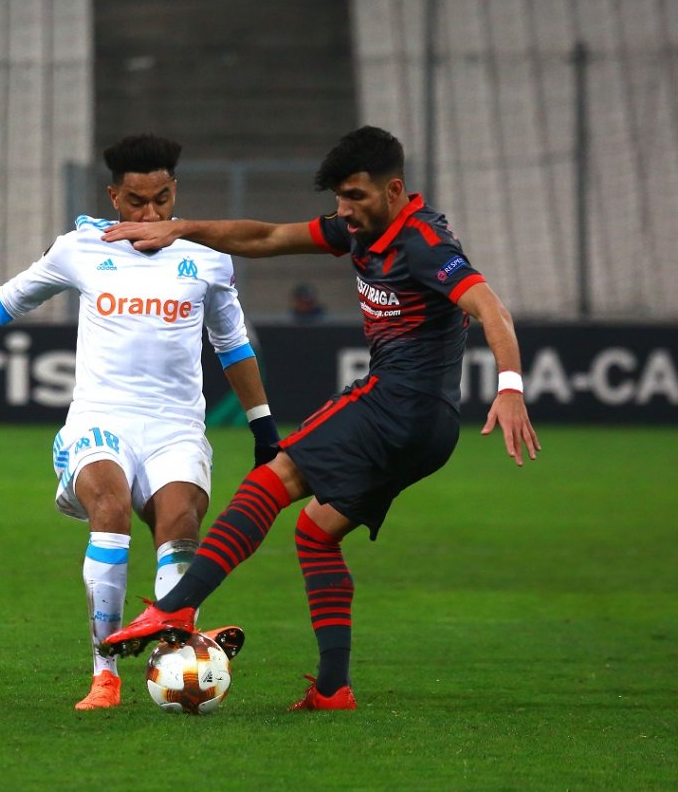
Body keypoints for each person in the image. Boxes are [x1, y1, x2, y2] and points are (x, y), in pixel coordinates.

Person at [100, 125, 541, 710]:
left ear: (394, 190)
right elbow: (264, 236)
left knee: (270, 478)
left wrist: (510, 386)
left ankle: (176, 604)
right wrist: (178, 228)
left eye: (355, 196)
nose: (344, 210)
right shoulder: (361, 230)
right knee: (316, 533)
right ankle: (333, 689)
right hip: (429, 432)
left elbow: (490, 306)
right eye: (338, 198)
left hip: (396, 405)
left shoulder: (422, 242)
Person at [0, 133, 278, 709]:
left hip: (176, 425)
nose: (150, 213)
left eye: (161, 198)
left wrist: (262, 426)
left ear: (175, 190)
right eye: (135, 201)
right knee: (109, 504)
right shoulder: (80, 247)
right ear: (113, 196)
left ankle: (170, 652)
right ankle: (105, 673)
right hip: (100, 419)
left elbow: (232, 345)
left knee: (179, 523)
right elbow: (9, 300)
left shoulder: (208, 255)